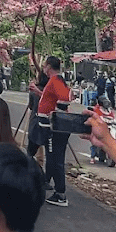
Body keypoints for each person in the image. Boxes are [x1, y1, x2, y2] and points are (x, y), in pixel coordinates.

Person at [30, 55, 71, 206]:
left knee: (55, 159)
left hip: (54, 128)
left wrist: (54, 114)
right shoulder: (55, 81)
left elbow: (64, 99)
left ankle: (60, 193)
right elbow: (53, 98)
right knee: (52, 158)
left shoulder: (56, 81)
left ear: (48, 66)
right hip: (52, 127)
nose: (43, 69)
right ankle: (52, 186)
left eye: (44, 66)